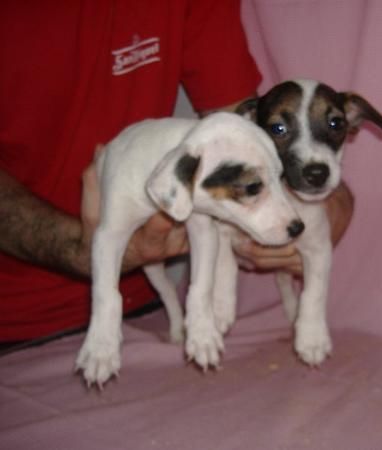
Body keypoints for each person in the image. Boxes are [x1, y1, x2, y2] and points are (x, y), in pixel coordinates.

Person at [0, 0, 353, 343]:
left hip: (146, 299)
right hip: (13, 319)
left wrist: (326, 192)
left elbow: (239, 140)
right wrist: (81, 248)